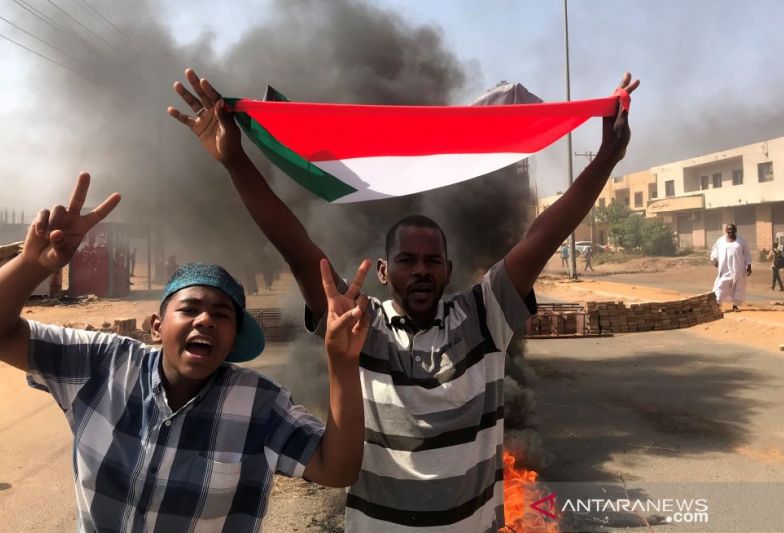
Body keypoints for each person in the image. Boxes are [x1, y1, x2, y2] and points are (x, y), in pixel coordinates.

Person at [168, 68, 639, 532]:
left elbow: (544, 233)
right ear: (383, 271)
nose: (420, 270)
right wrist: (235, 161)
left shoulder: (484, 315)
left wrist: (604, 161)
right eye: (407, 260)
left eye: (433, 260)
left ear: (448, 271)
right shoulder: (359, 325)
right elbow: (295, 246)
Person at [0, 173, 369, 531]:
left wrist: (342, 363)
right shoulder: (101, 363)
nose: (205, 320)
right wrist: (30, 266)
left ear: (234, 339)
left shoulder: (260, 404)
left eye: (221, 314)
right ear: (157, 326)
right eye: (190, 309)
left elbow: (336, 469)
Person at [710, 223, 752, 312]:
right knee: (720, 285)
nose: (731, 231)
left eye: (733, 229)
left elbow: (747, 254)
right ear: (726, 230)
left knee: (738, 287)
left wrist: (748, 265)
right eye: (729, 229)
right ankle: (718, 304)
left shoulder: (741, 241)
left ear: (735, 230)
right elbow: (714, 251)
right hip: (724, 269)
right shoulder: (720, 241)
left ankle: (735, 306)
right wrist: (713, 259)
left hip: (738, 268)